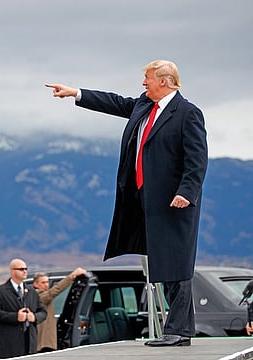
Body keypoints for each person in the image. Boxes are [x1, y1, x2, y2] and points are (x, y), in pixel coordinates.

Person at [45, 59, 208, 347]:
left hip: (176, 202)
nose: (143, 84)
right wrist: (75, 93)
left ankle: (179, 330)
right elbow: (115, 102)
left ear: (164, 81)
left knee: (177, 264)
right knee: (162, 263)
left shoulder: (187, 113)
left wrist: (187, 192)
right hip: (146, 201)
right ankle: (179, 330)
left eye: (147, 79)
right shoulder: (144, 106)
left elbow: (196, 159)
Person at [0, 258, 47, 359]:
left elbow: (43, 312)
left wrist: (34, 317)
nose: (25, 271)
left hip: (30, 344)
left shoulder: (31, 291)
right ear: (12, 271)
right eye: (21, 269)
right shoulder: (1, 291)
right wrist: (16, 317)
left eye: (26, 269)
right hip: (10, 344)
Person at [33, 267, 87, 352]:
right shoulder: (38, 296)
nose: (46, 285)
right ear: (35, 284)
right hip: (43, 343)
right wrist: (71, 276)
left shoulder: (44, 295)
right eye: (43, 282)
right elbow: (54, 291)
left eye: (47, 282)